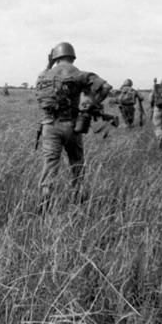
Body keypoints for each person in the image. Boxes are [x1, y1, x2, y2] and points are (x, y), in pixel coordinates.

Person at [35, 42, 111, 208]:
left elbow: (39, 85)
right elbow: (105, 87)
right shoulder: (79, 74)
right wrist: (92, 104)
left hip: (49, 125)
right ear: (72, 56)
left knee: (50, 164)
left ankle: (45, 203)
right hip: (72, 125)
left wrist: (49, 63)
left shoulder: (44, 75)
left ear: (55, 57)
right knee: (77, 163)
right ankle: (78, 200)